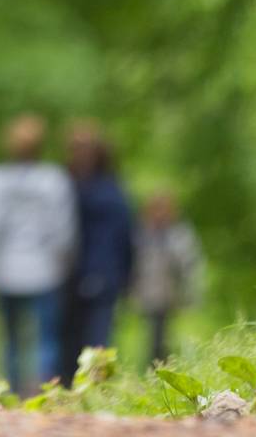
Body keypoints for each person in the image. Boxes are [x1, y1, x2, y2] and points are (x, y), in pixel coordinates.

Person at [0, 115, 76, 395]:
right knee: (46, 338)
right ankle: (44, 390)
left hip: (6, 272)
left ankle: (13, 392)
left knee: (12, 338)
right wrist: (64, 264)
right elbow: (63, 230)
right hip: (45, 271)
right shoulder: (54, 179)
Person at [57, 121, 137, 383]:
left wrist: (127, 275)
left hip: (102, 272)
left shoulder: (110, 190)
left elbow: (126, 236)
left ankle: (94, 389)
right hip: (67, 272)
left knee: (97, 339)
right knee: (68, 337)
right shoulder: (63, 184)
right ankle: (67, 390)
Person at [133, 190, 203, 365]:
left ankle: (161, 366)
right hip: (149, 293)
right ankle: (156, 366)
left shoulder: (178, 234)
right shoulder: (142, 234)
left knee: (163, 335)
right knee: (154, 335)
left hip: (170, 292)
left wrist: (190, 293)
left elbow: (189, 264)